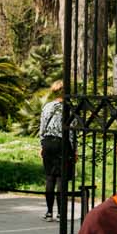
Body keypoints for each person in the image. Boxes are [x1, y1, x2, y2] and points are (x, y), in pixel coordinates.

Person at [38, 80, 73, 221]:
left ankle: (49, 212)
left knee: (49, 177)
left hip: (48, 142)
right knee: (61, 178)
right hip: (63, 142)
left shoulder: (47, 106)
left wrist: (42, 144)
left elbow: (42, 127)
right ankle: (60, 213)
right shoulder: (69, 108)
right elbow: (72, 131)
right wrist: (74, 149)